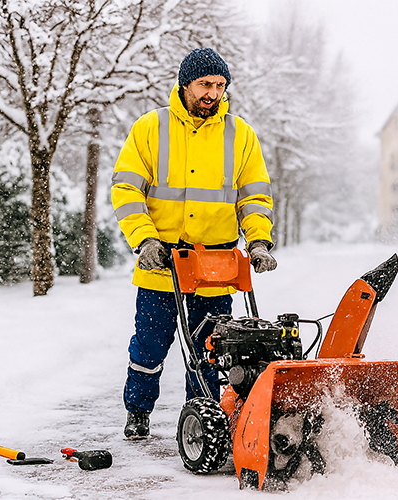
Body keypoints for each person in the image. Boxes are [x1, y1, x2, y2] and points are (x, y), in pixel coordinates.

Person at [110, 48, 277, 439]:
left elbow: (253, 197)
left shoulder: (240, 134)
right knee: (151, 346)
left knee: (210, 350)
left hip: (215, 265)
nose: (213, 93)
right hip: (162, 260)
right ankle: (138, 411)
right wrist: (144, 239)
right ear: (185, 84)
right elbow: (127, 190)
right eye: (205, 84)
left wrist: (258, 242)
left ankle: (201, 419)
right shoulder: (151, 128)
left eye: (220, 86)